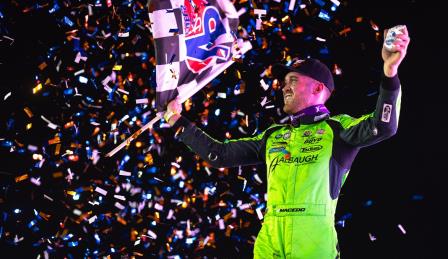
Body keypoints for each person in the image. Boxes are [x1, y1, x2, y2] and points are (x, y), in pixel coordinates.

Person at [162, 26, 410, 258]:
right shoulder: (273, 135)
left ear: (318, 89)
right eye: (284, 82)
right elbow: (220, 155)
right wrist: (177, 121)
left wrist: (390, 74)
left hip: (312, 235)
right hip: (270, 235)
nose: (284, 87)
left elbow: (384, 125)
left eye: (293, 80)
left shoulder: (337, 128)